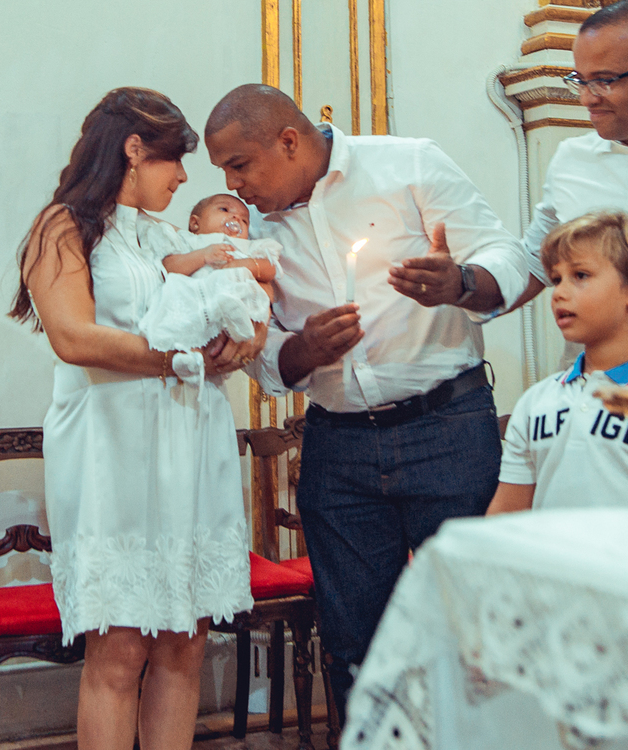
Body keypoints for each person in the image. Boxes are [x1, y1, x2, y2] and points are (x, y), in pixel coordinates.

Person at [203, 84, 531, 702]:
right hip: (339, 447)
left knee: (474, 623)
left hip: (447, 429)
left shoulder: (409, 165)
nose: (232, 185)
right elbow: (257, 344)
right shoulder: (252, 234)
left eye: (239, 165)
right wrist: (303, 350)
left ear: (289, 141)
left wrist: (461, 281)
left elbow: (506, 255)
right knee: (354, 640)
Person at [9, 87, 258, 750]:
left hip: (190, 445)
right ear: (133, 148)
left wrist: (242, 340)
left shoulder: (166, 236)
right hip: (111, 452)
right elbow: (74, 337)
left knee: (184, 642)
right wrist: (179, 359)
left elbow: (234, 294)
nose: (182, 177)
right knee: (119, 648)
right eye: (174, 159)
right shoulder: (63, 227)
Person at [488, 211, 628, 513]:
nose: (558, 293)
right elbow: (506, 515)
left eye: (580, 276)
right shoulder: (536, 402)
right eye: (556, 280)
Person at [512, 0, 628, 311]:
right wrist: (461, 282)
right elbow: (533, 263)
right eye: (581, 80)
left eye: (604, 80)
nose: (587, 99)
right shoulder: (572, 159)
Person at [137, 193, 279, 361]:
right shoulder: (187, 241)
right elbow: (169, 268)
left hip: (236, 305)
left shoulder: (247, 248)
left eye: (244, 220)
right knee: (178, 307)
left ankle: (214, 345)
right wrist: (203, 256)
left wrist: (245, 264)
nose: (236, 218)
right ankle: (188, 357)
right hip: (196, 301)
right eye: (224, 209)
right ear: (195, 223)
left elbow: (270, 268)